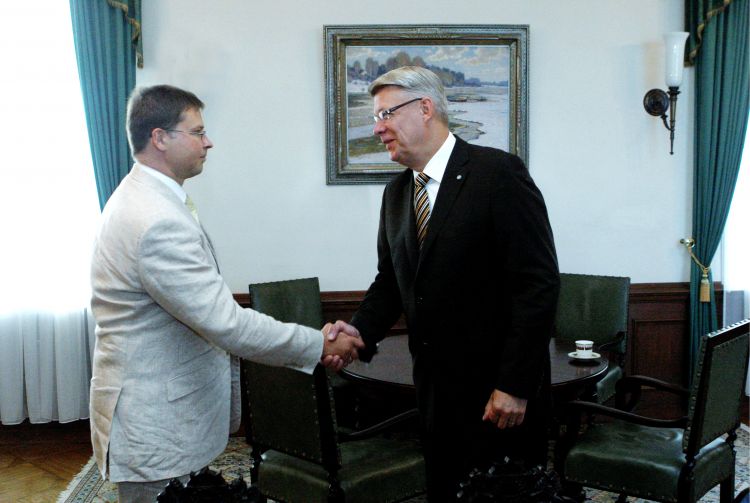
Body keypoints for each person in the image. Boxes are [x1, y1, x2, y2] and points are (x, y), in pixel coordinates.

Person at [89, 84, 363, 502]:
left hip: (162, 417)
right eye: (198, 132)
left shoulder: (147, 198)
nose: (208, 142)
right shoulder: (155, 219)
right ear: (160, 138)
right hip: (157, 425)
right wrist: (318, 344)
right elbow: (227, 324)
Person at [330, 66, 560, 501]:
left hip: (498, 396)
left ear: (425, 108)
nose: (377, 128)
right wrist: (358, 332)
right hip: (435, 392)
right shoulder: (397, 193)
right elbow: (391, 282)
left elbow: (538, 286)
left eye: (385, 114)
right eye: (376, 117)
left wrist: (514, 385)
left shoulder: (498, 174)